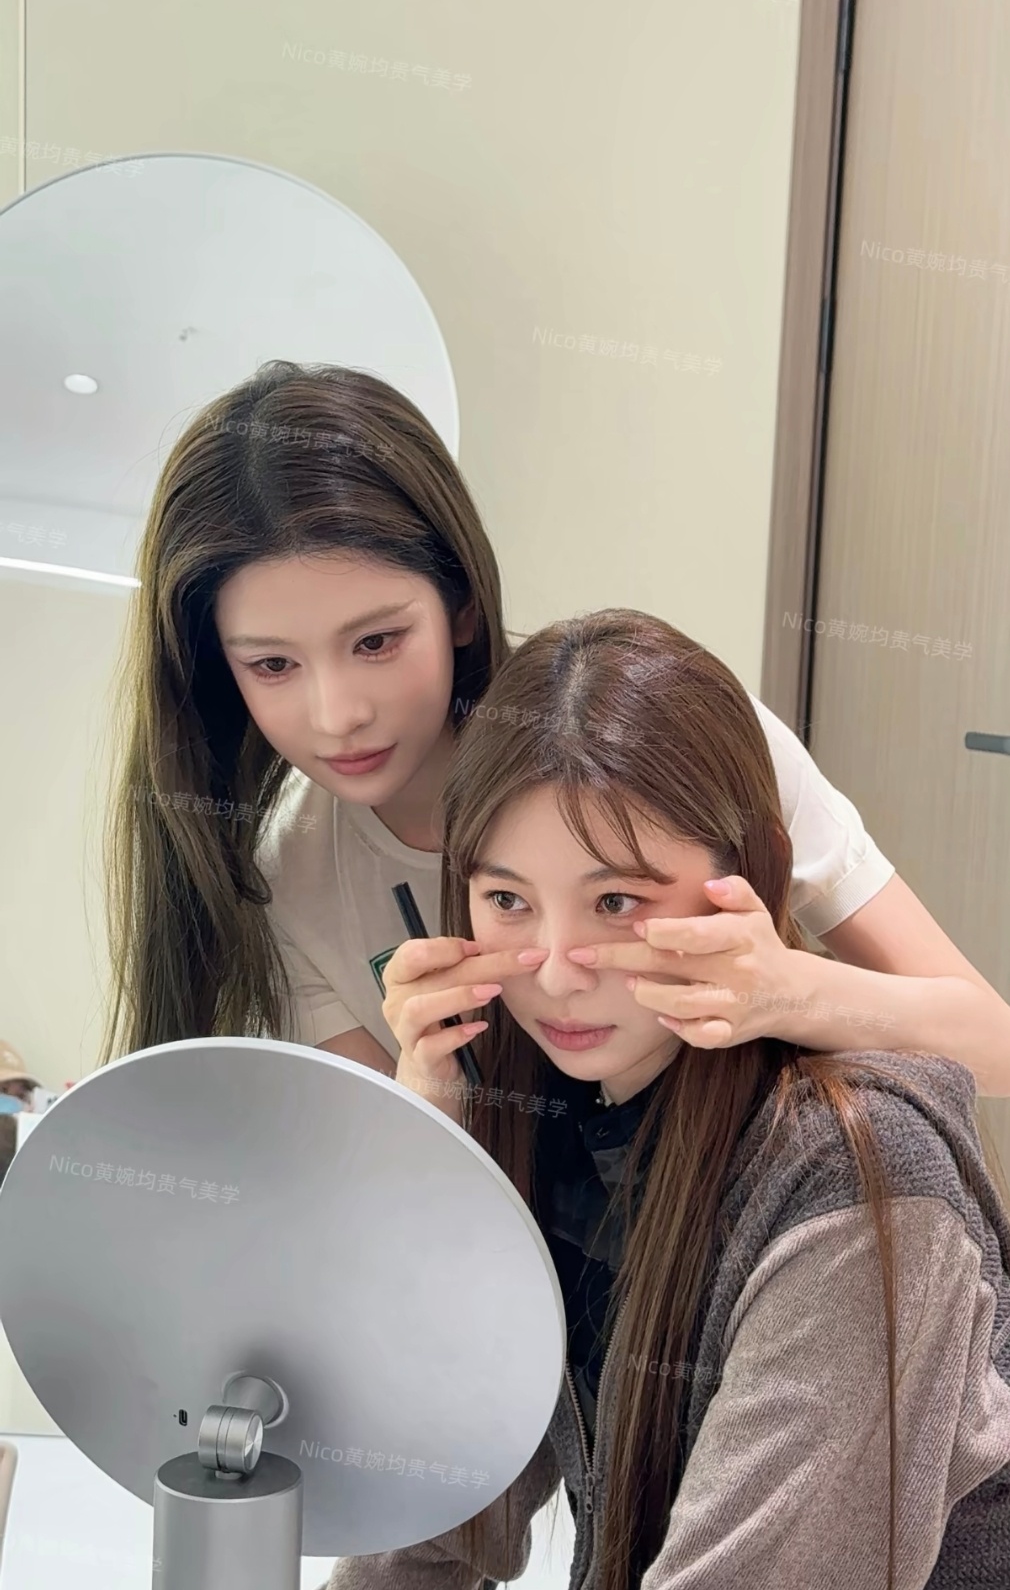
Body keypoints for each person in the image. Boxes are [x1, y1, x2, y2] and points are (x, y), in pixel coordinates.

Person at [295, 611, 1010, 1590]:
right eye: (505, 900)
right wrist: (437, 1166)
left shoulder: (858, 1176)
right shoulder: (544, 1125)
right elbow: (413, 1561)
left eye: (617, 902)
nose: (555, 968)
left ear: (745, 882)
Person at [100, 360, 1010, 1099]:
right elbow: (409, 1202)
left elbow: (995, 1048)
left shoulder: (671, 734)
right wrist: (430, 1092)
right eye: (272, 665)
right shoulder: (288, 875)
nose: (338, 716)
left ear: (460, 601)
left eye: (376, 642)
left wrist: (790, 994)